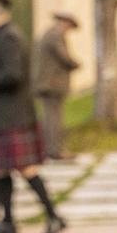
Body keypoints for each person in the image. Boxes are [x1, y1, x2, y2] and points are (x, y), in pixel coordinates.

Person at [0, 0, 67, 233]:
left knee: (27, 169)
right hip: (1, 117)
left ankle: (53, 217)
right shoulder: (0, 36)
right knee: (1, 171)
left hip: (12, 117)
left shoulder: (10, 37)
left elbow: (13, 75)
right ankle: (8, 222)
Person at [31, 12, 80, 160]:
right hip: (52, 84)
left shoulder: (49, 34)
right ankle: (53, 150)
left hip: (48, 83)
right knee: (53, 118)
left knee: (50, 117)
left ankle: (50, 149)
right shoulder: (55, 35)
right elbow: (63, 56)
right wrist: (75, 64)